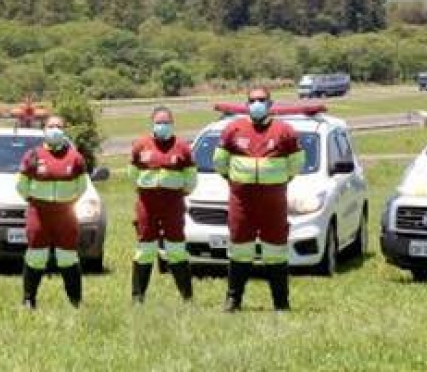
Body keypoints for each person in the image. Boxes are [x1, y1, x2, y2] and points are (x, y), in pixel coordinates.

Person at [213, 86, 305, 312]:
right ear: (246, 104)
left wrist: (277, 181)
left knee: (275, 252)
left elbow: (296, 165)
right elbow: (219, 162)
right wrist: (235, 181)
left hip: (272, 202)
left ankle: (281, 303)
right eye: (252, 100)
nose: (257, 104)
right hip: (241, 201)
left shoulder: (285, 131)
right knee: (239, 250)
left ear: (270, 104)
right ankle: (233, 299)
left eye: (261, 100)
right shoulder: (233, 129)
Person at [16, 115, 87, 309]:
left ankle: (75, 302)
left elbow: (82, 187)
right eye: (51, 126)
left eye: (59, 126)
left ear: (64, 130)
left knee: (68, 258)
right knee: (36, 257)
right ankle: (29, 299)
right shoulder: (33, 155)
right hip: (39, 214)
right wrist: (34, 201)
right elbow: (21, 186)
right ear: (44, 130)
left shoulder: (76, 157)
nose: (55, 129)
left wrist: (68, 202)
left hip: (65, 215)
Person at [128, 106, 197, 304]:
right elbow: (133, 176)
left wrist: (176, 194)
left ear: (172, 124)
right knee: (145, 250)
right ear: (152, 124)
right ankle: (137, 297)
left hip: (173, 205)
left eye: (166, 122)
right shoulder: (140, 146)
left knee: (176, 249)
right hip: (147, 205)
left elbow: (191, 180)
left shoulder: (183, 147)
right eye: (159, 122)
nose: (162, 126)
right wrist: (144, 192)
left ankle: (187, 297)